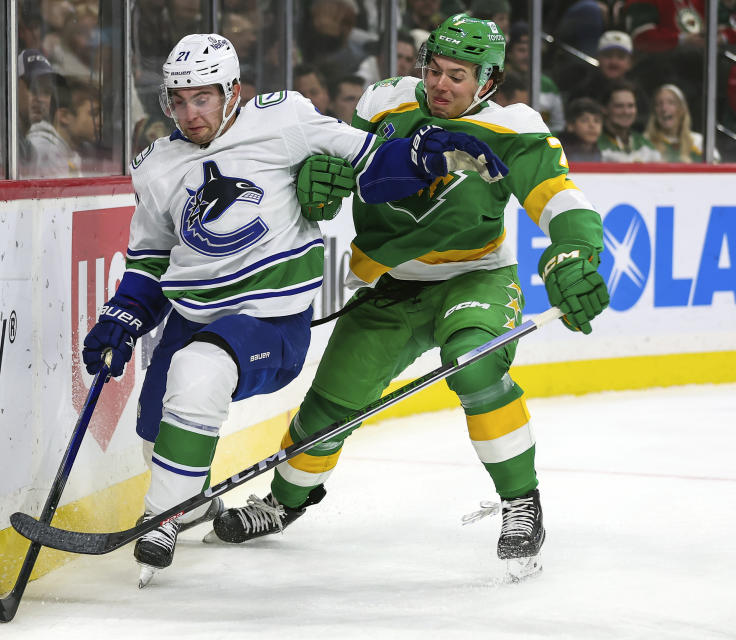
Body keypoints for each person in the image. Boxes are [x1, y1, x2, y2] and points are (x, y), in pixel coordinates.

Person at [80, 31, 507, 587]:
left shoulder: (283, 121)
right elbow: (152, 261)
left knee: (199, 371)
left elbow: (370, 163)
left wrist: (430, 153)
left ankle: (162, 520)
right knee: (156, 430)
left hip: (268, 319)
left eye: (202, 98)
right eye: (178, 101)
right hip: (192, 317)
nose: (190, 113)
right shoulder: (157, 166)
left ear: (232, 91)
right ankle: (193, 501)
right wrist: (125, 316)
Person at [209, 14, 610, 581]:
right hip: (390, 288)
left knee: (472, 364)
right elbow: (340, 163)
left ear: (488, 81)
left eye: (458, 76)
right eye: (434, 69)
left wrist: (573, 254)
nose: (441, 84)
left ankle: (522, 502)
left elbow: (562, 200)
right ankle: (285, 502)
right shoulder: (383, 105)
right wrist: (316, 181)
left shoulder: (514, 127)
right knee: (331, 404)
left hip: (475, 279)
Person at [644, 83, 716, 162]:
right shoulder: (644, 143)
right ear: (654, 112)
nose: (664, 108)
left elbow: (718, 171)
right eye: (659, 104)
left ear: (682, 109)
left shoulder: (698, 142)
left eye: (671, 103)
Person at [598, 79, 661, 162]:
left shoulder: (643, 143)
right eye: (619, 106)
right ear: (604, 109)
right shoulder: (593, 143)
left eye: (631, 106)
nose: (626, 111)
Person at [557, 96, 604, 162]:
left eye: (597, 121)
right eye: (584, 120)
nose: (592, 125)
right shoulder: (559, 153)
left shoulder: (604, 153)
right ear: (570, 125)